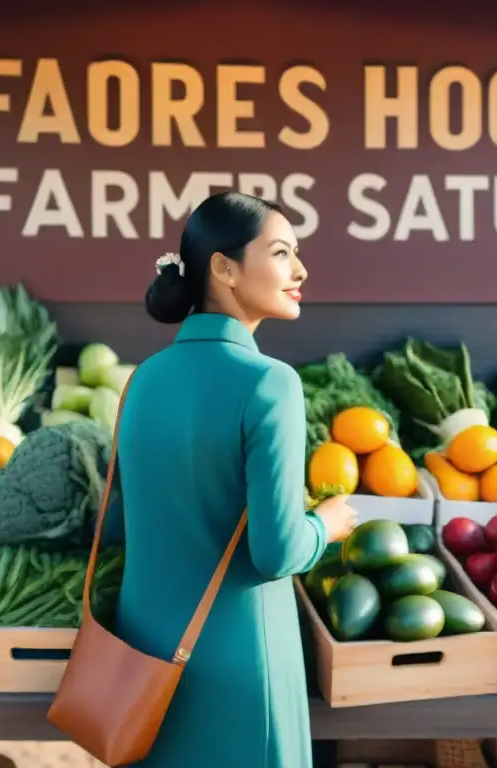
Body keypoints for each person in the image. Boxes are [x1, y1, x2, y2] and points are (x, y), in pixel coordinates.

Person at [107, 191, 358, 768]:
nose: (300, 270)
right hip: (241, 663)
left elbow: (126, 519)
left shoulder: (142, 379)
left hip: (143, 660)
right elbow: (276, 552)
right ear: (223, 267)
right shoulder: (271, 383)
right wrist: (328, 522)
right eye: (280, 252)